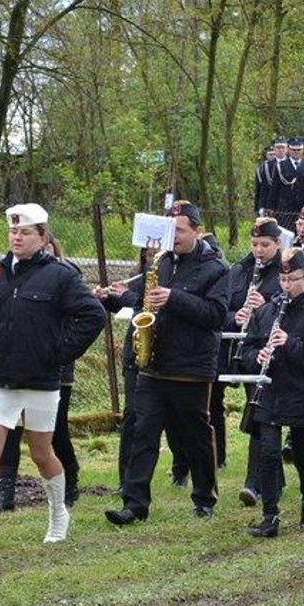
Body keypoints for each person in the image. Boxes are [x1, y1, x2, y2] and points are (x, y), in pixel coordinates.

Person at [0, 204, 106, 552]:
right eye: (13, 232)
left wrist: (58, 353)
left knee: (42, 452)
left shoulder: (61, 276)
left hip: (41, 380)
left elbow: (93, 316)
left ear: (43, 237)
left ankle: (58, 514)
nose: (16, 237)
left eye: (25, 232)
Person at [105, 201, 230, 526]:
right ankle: (135, 504)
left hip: (191, 367)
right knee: (143, 431)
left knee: (195, 435)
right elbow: (146, 302)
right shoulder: (160, 263)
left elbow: (216, 316)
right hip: (154, 363)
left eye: (180, 231)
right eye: (170, 230)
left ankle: (204, 496)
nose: (173, 237)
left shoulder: (216, 269)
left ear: (197, 231)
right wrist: (116, 298)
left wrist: (175, 298)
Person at [238, 247, 304, 536]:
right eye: (283, 280)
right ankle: (270, 516)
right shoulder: (268, 310)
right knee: (268, 452)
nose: (287, 286)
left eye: (293, 279)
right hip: (271, 390)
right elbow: (246, 349)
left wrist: (290, 344)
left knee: (300, 452)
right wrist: (256, 356)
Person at [0, 232, 87, 512]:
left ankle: (69, 480)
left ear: (47, 244)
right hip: (16, 367)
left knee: (55, 430)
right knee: (10, 428)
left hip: (53, 368)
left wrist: (59, 350)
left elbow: (82, 318)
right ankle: (5, 492)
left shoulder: (65, 275)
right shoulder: (10, 273)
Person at [222, 218, 285, 506]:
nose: (259, 250)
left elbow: (295, 307)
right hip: (248, 350)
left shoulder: (287, 270)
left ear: (278, 244)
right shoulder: (240, 270)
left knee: (262, 416)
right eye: (255, 244)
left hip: (277, 352)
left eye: (265, 245)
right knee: (258, 414)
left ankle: (256, 482)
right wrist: (236, 316)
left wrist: (266, 306)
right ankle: (267, 481)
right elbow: (222, 308)